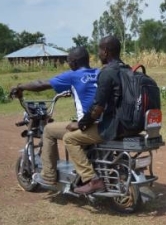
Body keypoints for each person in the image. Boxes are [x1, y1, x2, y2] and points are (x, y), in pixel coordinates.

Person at [9, 47, 100, 186]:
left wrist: (21, 87)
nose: (68, 64)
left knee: (49, 130)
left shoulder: (73, 75)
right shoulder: (99, 73)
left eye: (68, 61)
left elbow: (41, 84)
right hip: (103, 122)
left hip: (88, 124)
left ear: (74, 62)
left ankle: (48, 175)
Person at [62, 35, 134, 195]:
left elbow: (97, 108)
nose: (98, 54)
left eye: (100, 50)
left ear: (106, 51)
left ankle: (92, 180)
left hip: (113, 127)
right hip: (130, 125)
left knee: (69, 139)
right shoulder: (128, 70)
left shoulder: (107, 73)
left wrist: (80, 124)